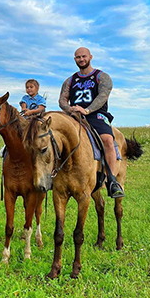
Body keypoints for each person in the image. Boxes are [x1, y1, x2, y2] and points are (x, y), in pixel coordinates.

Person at [58, 47, 125, 198]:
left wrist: (86, 110)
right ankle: (52, 175)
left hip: (96, 114)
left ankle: (112, 181)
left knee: (108, 140)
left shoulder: (102, 77)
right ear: (74, 59)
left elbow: (103, 96)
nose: (81, 59)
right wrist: (70, 109)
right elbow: (62, 99)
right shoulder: (70, 80)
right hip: (74, 115)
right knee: (55, 136)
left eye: (83, 56)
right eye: (77, 57)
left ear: (90, 57)